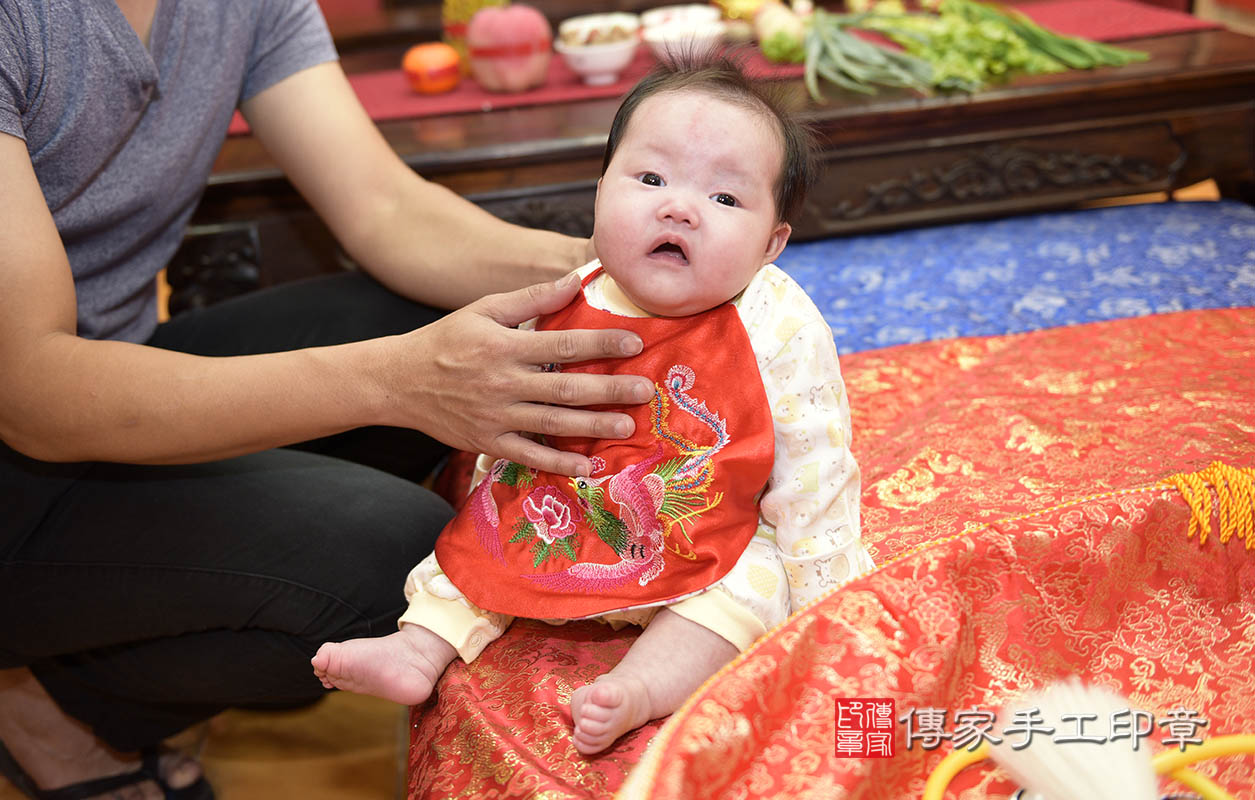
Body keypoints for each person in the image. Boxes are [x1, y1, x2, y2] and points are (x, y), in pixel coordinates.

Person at [0, 1, 655, 798]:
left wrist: (617, 268)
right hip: (29, 410)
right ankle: (52, 703)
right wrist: (394, 380)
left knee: (454, 320)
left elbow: (386, 209)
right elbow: (30, 390)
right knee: (403, 565)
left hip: (102, 374)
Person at [311, 56, 876, 756]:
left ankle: (637, 686)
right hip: (566, 507)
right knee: (473, 551)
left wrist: (829, 589)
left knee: (751, 592)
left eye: (725, 199)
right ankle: (418, 649)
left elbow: (814, 464)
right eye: (649, 178)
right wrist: (500, 483)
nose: (679, 206)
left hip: (706, 531)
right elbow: (515, 413)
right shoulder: (563, 297)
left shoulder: (777, 322)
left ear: (771, 245)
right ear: (599, 190)